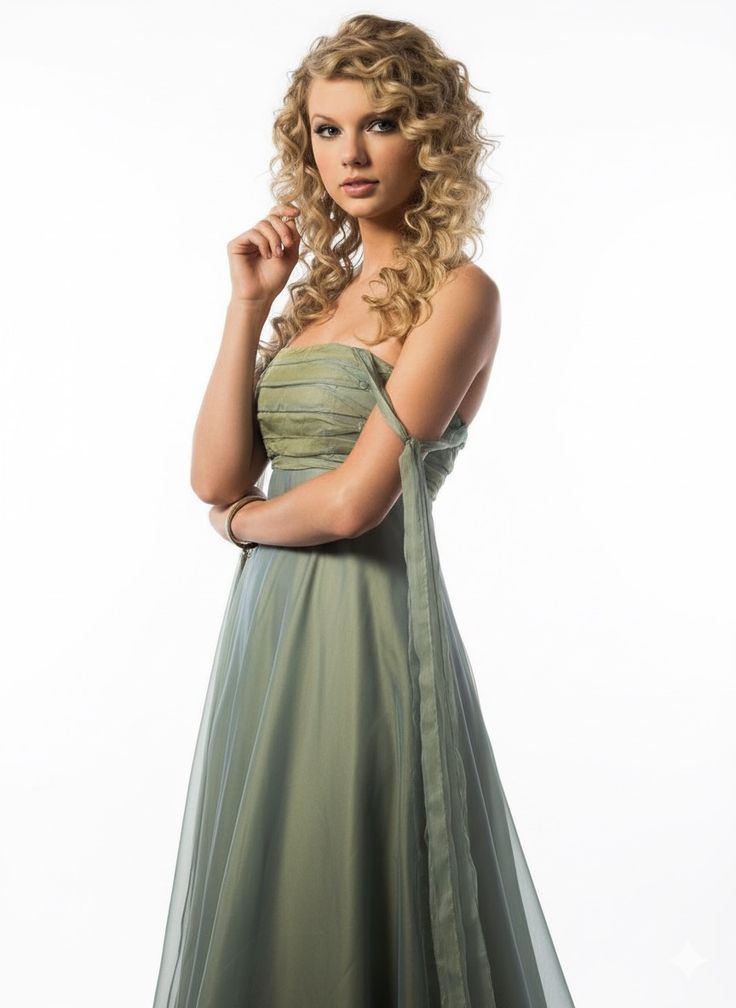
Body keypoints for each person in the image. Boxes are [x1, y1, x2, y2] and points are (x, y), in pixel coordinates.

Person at [152, 14, 577, 1008]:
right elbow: (216, 474)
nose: (349, 153)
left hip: (368, 626)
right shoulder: (315, 299)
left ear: (427, 137)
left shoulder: (458, 296)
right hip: (266, 630)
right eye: (326, 129)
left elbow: (352, 504)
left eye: (379, 124)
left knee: (351, 878)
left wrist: (240, 527)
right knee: (277, 884)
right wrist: (248, 306)